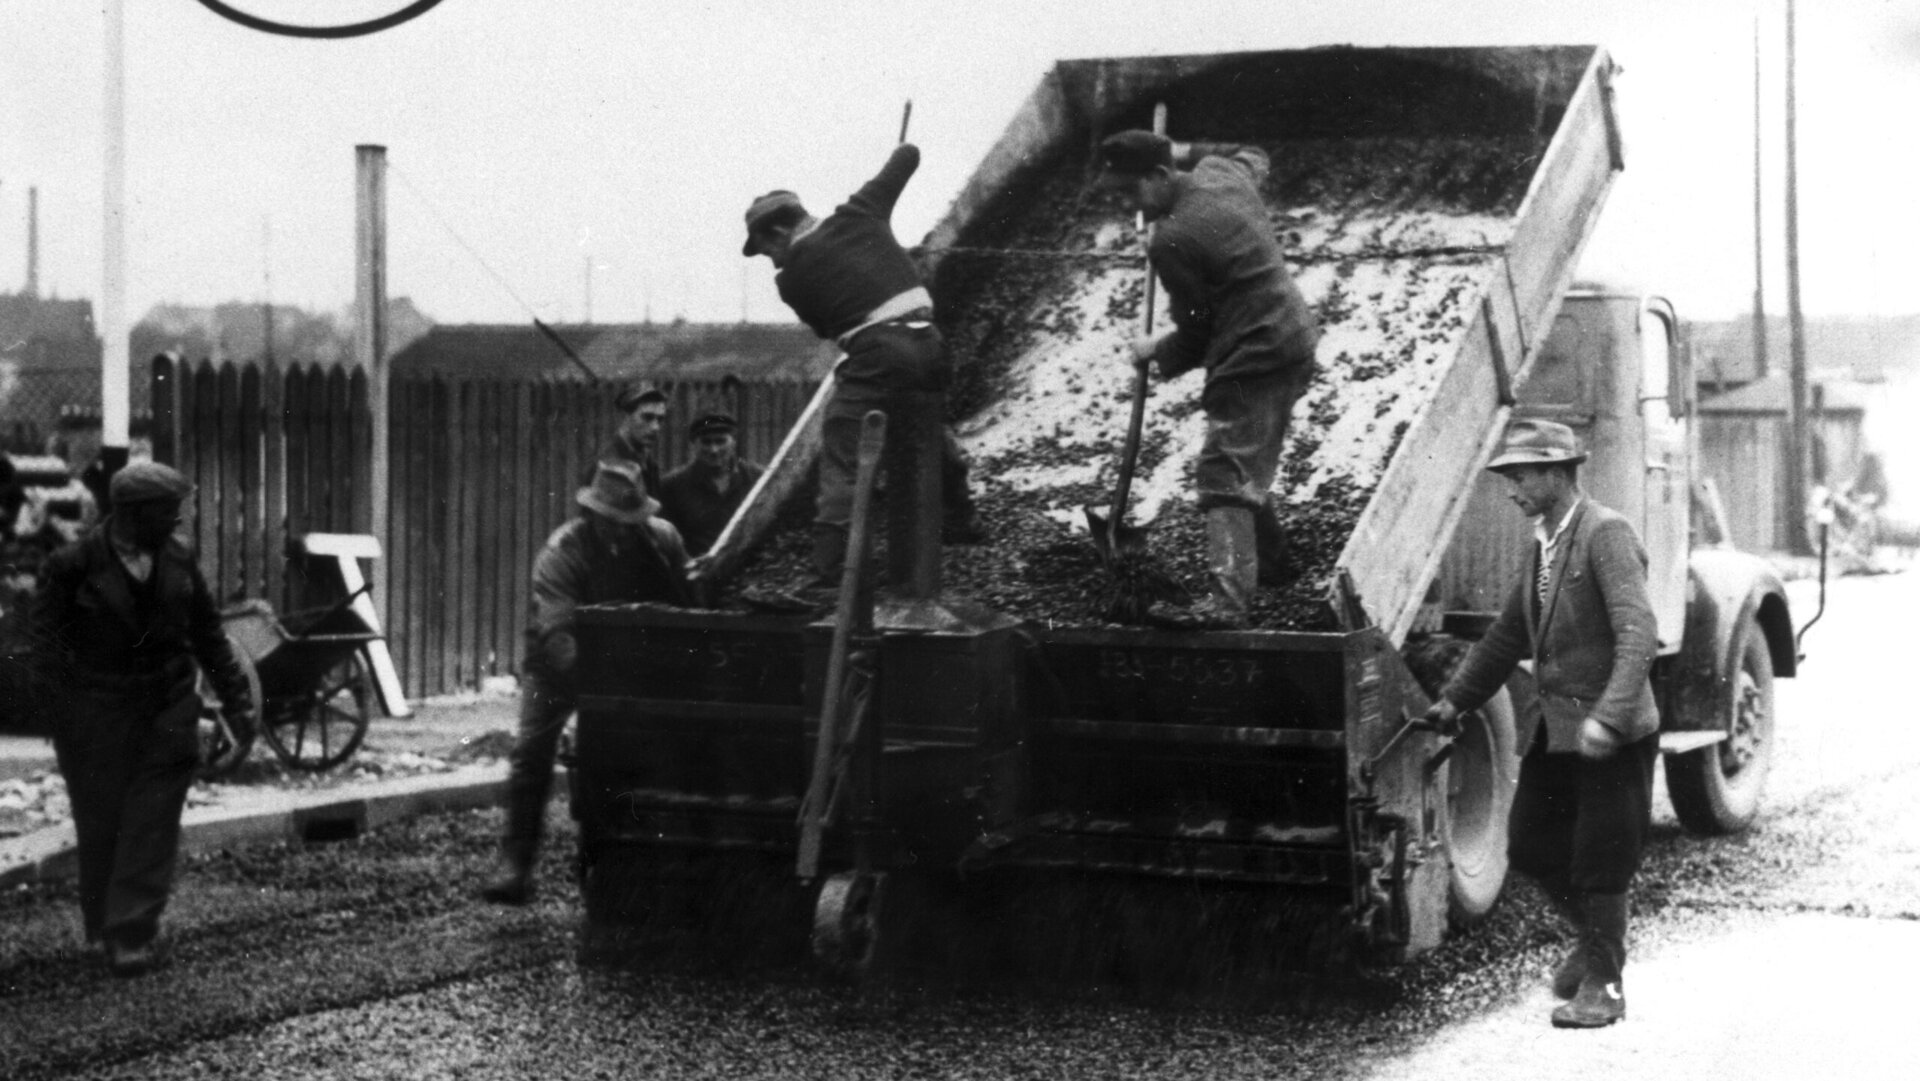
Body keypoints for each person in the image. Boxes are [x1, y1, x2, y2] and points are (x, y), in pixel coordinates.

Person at [1422, 419, 1660, 1029]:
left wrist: (1609, 718)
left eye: (1521, 476)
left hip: (1611, 732)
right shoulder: (1543, 544)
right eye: (1508, 478)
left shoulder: (1605, 534)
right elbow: (1506, 636)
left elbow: (1639, 634)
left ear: (1558, 473)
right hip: (1556, 730)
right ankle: (1591, 939)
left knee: (1600, 856)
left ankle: (1605, 984)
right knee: (1529, 844)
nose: (1511, 489)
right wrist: (1455, 701)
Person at [31, 461, 254, 975]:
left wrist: (238, 703)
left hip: (166, 707)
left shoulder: (178, 559)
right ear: (131, 514)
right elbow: (44, 649)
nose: (177, 524)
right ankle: (104, 927)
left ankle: (131, 932)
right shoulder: (72, 566)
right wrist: (60, 716)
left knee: (151, 822)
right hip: (97, 713)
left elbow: (208, 635)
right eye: (167, 514)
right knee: (101, 821)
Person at [1095, 129, 1321, 630]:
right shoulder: (1221, 175)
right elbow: (1254, 151)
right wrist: (1179, 149)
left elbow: (1196, 335)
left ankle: (1228, 604)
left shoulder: (1172, 240)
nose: (1127, 206)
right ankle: (1278, 568)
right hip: (1293, 334)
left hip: (1255, 351)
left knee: (1223, 473)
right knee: (1244, 460)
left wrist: (1155, 350)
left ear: (1157, 177)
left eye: (1130, 192)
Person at [740, 141, 982, 604]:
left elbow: (826, 327)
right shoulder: (862, 211)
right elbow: (909, 156)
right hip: (931, 345)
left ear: (777, 233)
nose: (770, 261)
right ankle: (961, 516)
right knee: (923, 424)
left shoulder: (789, 281)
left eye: (766, 250)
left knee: (843, 445)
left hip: (878, 352)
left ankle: (833, 574)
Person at [482, 459, 692, 904]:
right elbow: (559, 637)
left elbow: (690, 604)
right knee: (531, 752)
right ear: (591, 514)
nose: (619, 530)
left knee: (631, 754)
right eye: (610, 521)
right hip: (558, 663)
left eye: (628, 522)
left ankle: (616, 857)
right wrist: (597, 696)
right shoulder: (562, 553)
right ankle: (516, 861)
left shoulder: (662, 541)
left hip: (628, 662)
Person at [657, 411, 767, 557]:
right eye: (706, 442)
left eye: (720, 441)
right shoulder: (672, 485)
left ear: (734, 441)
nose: (714, 450)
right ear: (694, 443)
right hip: (694, 573)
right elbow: (667, 542)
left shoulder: (758, 479)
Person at [583, 381, 668, 495]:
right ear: (625, 417)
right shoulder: (607, 466)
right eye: (647, 417)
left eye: (660, 419)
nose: (655, 427)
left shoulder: (648, 464)